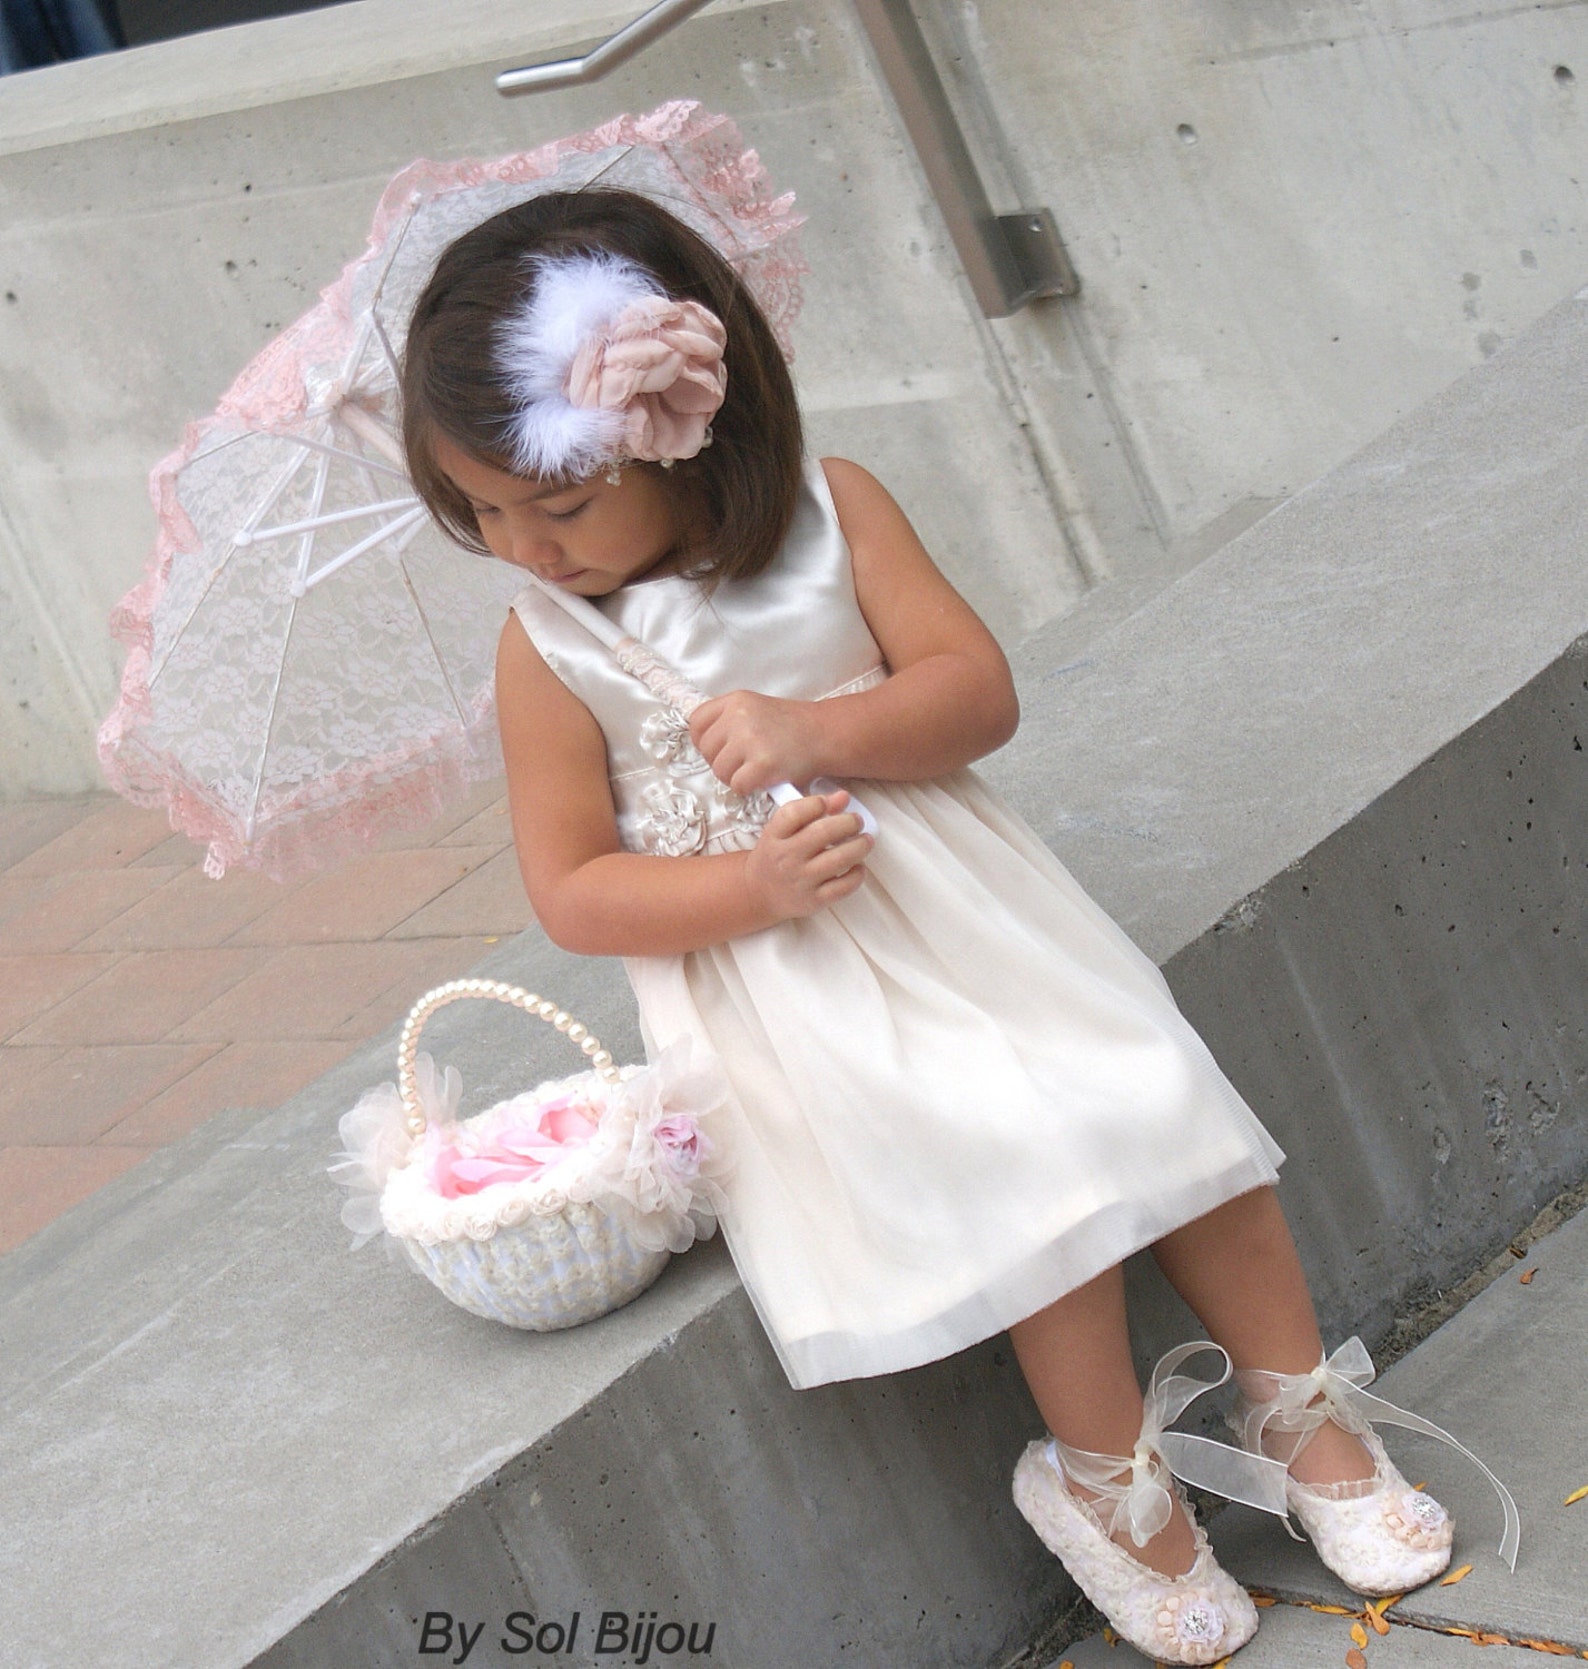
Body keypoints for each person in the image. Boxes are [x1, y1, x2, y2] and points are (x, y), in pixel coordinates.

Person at [398, 185, 1513, 1665]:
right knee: (1031, 1186)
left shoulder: (833, 512)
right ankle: (1112, 1488)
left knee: (1170, 1115)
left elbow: (976, 693)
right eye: (480, 512)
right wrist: (753, 885)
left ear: (691, 427)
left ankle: (1301, 1412)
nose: (525, 548)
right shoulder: (548, 654)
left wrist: (818, 723)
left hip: (971, 907)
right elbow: (575, 888)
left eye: (558, 501)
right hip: (792, 981)